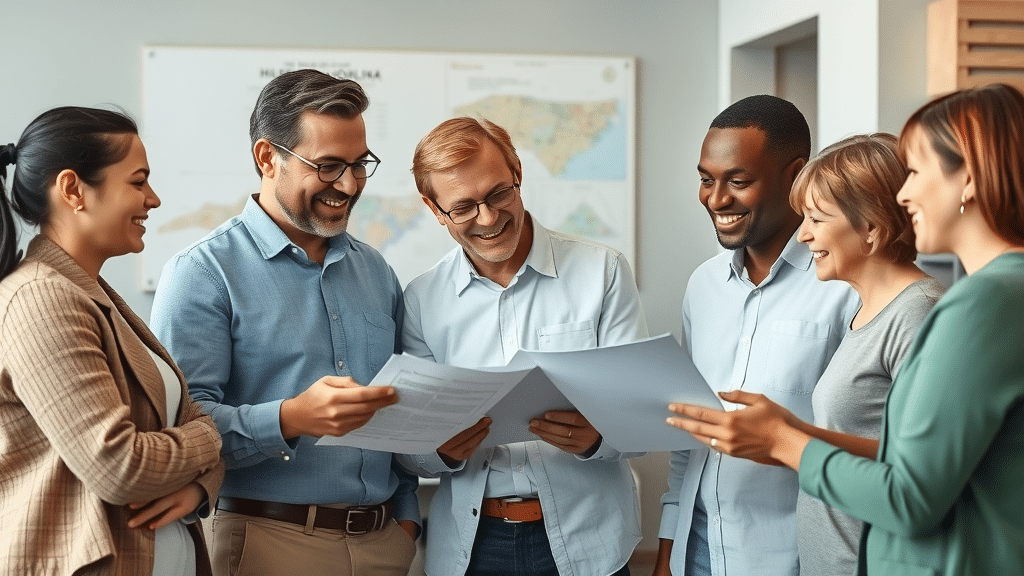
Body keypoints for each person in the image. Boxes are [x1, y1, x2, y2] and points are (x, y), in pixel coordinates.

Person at [669, 83, 1024, 575]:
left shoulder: (978, 303)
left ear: (966, 180)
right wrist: (788, 430)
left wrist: (783, 442)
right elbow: (907, 457)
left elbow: (909, 496)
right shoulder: (991, 294)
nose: (904, 193)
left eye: (916, 171)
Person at [150, 70, 419, 576]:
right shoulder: (203, 273)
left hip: (386, 544)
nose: (349, 184)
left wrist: (406, 521)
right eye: (328, 166)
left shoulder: (376, 271)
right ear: (267, 158)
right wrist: (290, 417)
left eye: (360, 164)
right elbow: (179, 430)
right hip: (265, 544)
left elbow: (394, 413)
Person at [667, 133, 945, 575]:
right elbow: (887, 445)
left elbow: (923, 474)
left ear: (870, 227)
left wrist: (784, 440)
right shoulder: (870, 313)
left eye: (815, 218)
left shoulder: (916, 312)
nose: (804, 233)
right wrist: (786, 428)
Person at [399, 117, 648, 576]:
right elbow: (409, 449)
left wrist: (598, 439)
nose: (489, 218)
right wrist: (442, 450)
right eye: (463, 208)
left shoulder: (603, 272)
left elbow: (641, 421)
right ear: (434, 209)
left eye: (498, 193)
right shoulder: (420, 300)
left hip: (590, 539)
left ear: (516, 170)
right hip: (473, 548)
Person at [0, 107, 223, 576]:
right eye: (138, 182)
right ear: (73, 189)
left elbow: (181, 415)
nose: (154, 199)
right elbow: (118, 466)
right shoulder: (41, 298)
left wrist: (200, 486)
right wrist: (209, 441)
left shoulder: (92, 292)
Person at [653, 95, 860, 576]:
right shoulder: (703, 285)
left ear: (796, 176)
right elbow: (693, 429)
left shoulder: (846, 286)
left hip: (796, 556)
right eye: (706, 179)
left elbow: (872, 435)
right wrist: (669, 547)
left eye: (738, 182)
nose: (716, 199)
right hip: (698, 549)